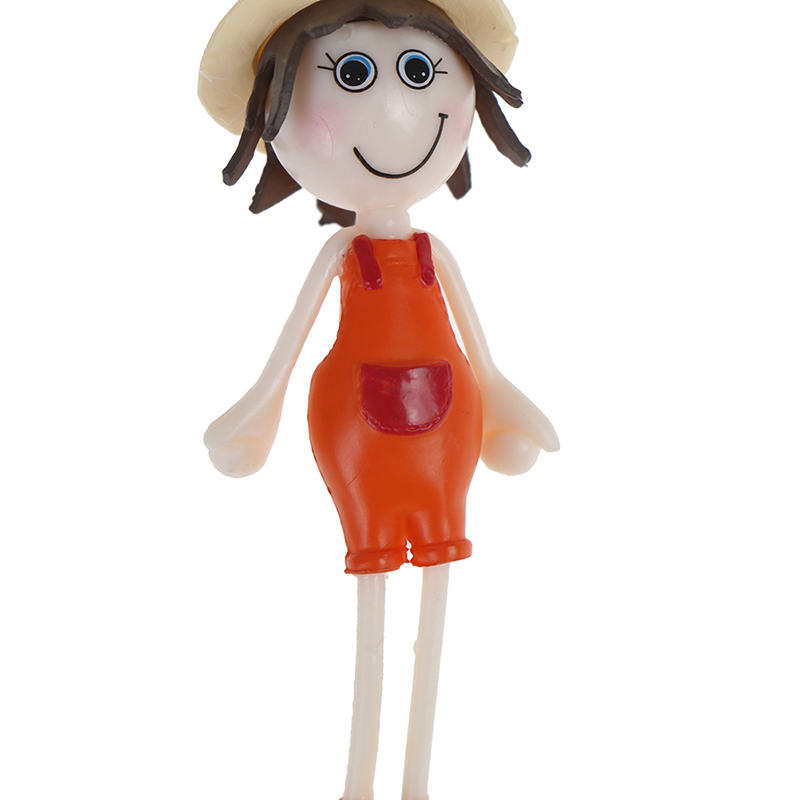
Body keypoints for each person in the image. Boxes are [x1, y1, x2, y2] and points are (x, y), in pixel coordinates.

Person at [198, 2, 558, 798]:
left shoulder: (437, 253)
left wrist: (503, 399)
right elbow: (288, 348)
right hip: (354, 430)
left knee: (438, 583)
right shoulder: (341, 254)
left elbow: (482, 355)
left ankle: (415, 781)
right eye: (353, 74)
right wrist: (257, 411)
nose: (395, 106)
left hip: (449, 431)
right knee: (373, 584)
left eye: (421, 70)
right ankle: (360, 782)